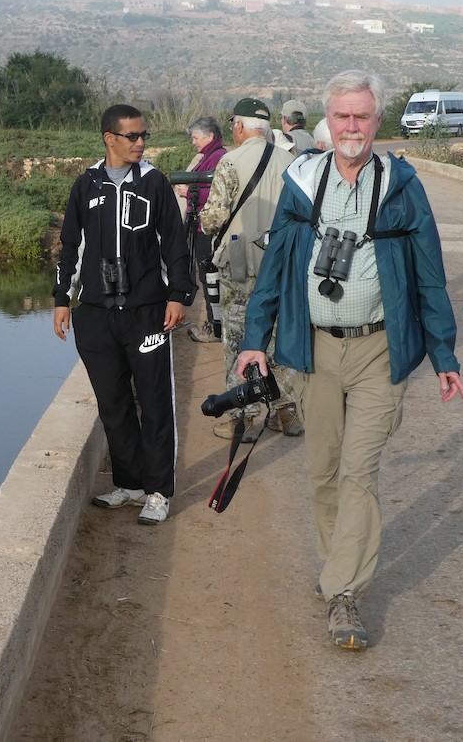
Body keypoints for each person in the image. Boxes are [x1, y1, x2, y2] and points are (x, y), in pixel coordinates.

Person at [235, 69, 463, 650]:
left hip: (377, 350)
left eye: (362, 116)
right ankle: (336, 565)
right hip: (314, 347)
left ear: (377, 120)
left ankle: (343, 593)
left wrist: (444, 352)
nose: (352, 126)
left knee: (358, 473)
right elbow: (276, 270)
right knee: (323, 473)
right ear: (328, 119)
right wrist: (251, 340)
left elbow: (429, 277)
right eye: (342, 116)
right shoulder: (302, 181)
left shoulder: (401, 185)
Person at [53, 103, 192, 526]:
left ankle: (158, 492)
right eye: (132, 136)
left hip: (146, 312)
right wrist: (63, 298)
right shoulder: (86, 185)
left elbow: (174, 244)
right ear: (109, 138)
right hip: (96, 314)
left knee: (154, 403)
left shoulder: (154, 184)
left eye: (143, 135)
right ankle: (130, 484)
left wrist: (178, 295)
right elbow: (71, 245)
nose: (140, 143)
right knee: (113, 404)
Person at [200, 97, 304, 442]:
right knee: (278, 339)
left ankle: (241, 417)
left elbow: (214, 218)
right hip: (281, 267)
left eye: (232, 125)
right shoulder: (291, 162)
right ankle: (285, 412)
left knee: (238, 340)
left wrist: (202, 221)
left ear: (240, 126)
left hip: (240, 269)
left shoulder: (230, 162)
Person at [173, 116, 227, 343]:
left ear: (209, 136)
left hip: (207, 228)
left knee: (210, 277)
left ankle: (215, 327)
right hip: (201, 225)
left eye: (196, 137)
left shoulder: (218, 158)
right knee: (207, 277)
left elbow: (219, 193)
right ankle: (214, 323)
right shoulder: (210, 156)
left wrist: (190, 192)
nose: (193, 142)